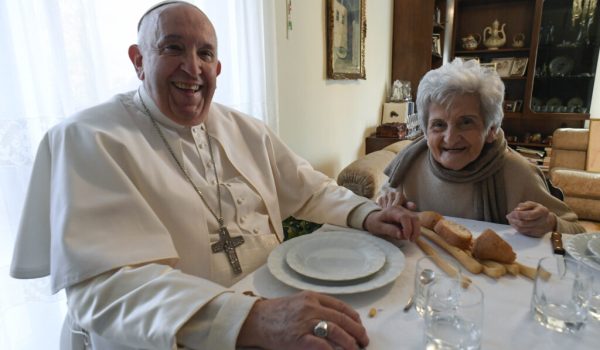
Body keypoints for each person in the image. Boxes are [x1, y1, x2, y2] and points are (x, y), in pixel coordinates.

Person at [10, 1, 419, 349]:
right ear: (138, 60)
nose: (192, 67)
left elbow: (307, 187)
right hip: (176, 335)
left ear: (217, 67)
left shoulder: (246, 128)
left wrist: (365, 214)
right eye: (173, 48)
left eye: (205, 54)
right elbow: (106, 289)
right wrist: (252, 319)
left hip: (274, 308)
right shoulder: (87, 139)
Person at [378, 58, 585, 236]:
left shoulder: (518, 173)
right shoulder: (408, 165)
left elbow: (576, 231)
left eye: (466, 122)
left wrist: (551, 223)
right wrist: (388, 210)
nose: (450, 138)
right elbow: (379, 208)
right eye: (439, 125)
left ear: (491, 129)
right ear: (425, 130)